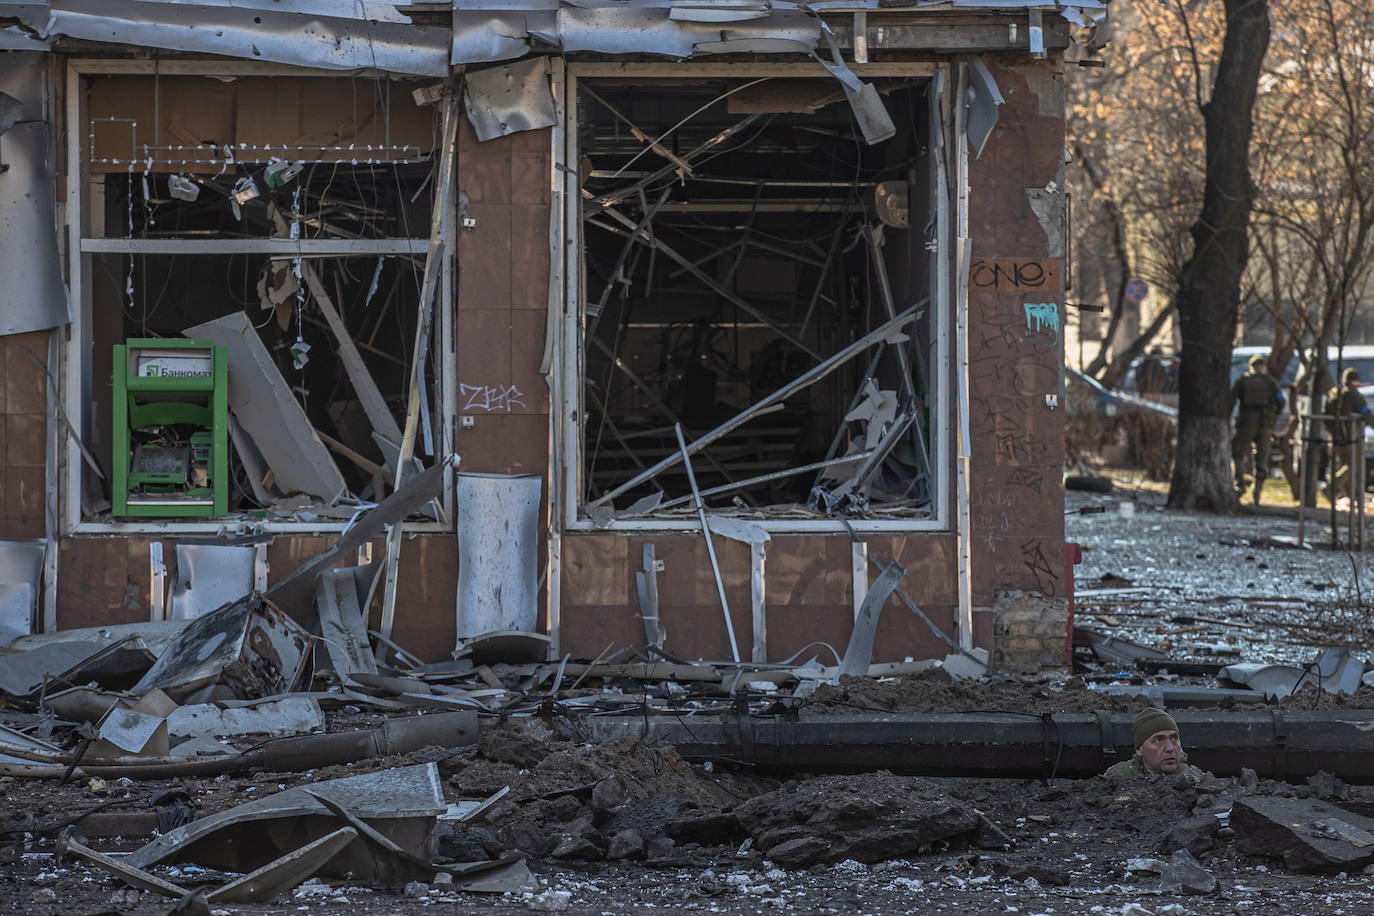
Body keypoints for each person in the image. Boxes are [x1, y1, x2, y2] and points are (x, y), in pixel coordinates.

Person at [1231, 354, 1285, 504]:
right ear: (1263, 367)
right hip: (1266, 423)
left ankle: (1240, 485)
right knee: (1262, 458)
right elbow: (1281, 401)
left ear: (1251, 367)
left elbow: (1231, 400)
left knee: (1237, 453)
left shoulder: (1243, 381)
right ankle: (1257, 490)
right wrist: (1274, 415)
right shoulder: (1270, 382)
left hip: (1247, 421)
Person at [1104, 708, 1202, 779]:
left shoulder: (1197, 781)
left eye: (1173, 738)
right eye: (1158, 740)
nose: (1170, 748)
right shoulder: (1117, 777)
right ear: (1139, 749)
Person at [1324, 367, 1372, 503]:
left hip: (1336, 438)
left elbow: (1326, 415)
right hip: (1351, 438)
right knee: (1352, 466)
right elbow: (1366, 414)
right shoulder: (1354, 395)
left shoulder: (1334, 394)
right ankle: (1331, 488)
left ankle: (1349, 497)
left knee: (1343, 466)